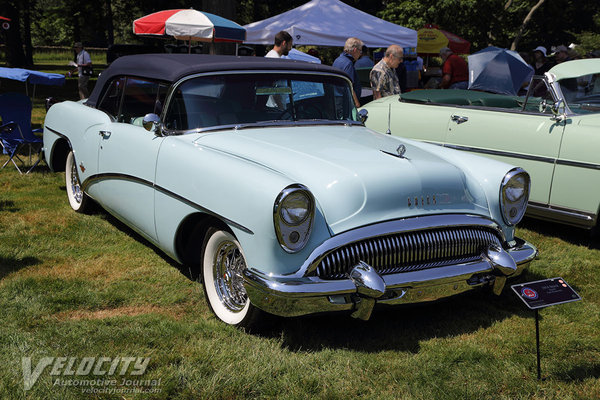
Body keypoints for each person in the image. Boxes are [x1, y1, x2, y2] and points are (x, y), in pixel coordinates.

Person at [332, 37, 363, 107]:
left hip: (337, 100)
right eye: (360, 51)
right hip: (345, 103)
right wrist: (357, 104)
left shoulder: (338, 60)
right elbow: (349, 86)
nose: (360, 54)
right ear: (355, 50)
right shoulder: (348, 63)